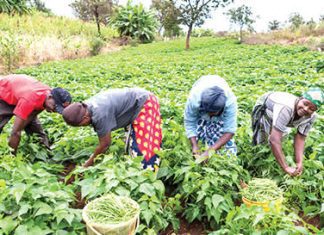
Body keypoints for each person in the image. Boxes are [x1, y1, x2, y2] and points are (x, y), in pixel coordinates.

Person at [62, 88, 162, 171]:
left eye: (81, 125)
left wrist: (86, 166)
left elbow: (105, 144)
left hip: (145, 102)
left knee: (144, 146)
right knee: (132, 143)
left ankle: (148, 176)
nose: (83, 126)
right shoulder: (86, 107)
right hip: (133, 106)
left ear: (85, 118)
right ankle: (135, 169)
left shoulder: (99, 115)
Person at [252, 88, 323, 176]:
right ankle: (256, 166)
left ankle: (275, 158)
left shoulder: (311, 117)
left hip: (286, 116)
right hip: (266, 109)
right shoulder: (286, 108)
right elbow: (274, 140)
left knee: (280, 139)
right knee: (261, 142)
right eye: (305, 104)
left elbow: (300, 137)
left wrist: (299, 162)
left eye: (311, 109)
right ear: (300, 98)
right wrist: (285, 167)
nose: (305, 109)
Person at [0, 74, 72, 154]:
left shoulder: (46, 100)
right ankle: (8, 157)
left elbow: (31, 116)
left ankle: (45, 154)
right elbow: (15, 132)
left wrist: (24, 125)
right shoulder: (30, 100)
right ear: (50, 97)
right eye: (55, 107)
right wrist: (13, 157)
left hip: (21, 92)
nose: (54, 110)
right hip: (4, 92)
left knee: (36, 131)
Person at [184, 75, 238, 158]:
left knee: (226, 151)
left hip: (221, 107)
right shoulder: (194, 100)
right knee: (200, 134)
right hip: (201, 89)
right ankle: (201, 142)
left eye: (213, 113)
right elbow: (190, 122)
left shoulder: (230, 103)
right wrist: (194, 145)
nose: (210, 115)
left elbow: (229, 130)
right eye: (208, 112)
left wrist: (210, 151)